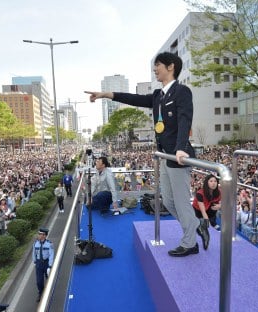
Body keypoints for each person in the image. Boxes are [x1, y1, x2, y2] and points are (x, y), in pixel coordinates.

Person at [85, 52, 201, 257]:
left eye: (158, 65)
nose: (155, 69)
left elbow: (185, 119)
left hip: (178, 156)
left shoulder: (182, 92)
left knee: (181, 202)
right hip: (164, 156)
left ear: (170, 67)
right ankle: (196, 225)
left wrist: (181, 146)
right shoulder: (158, 96)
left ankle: (190, 242)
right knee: (168, 202)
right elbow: (133, 98)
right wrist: (104, 94)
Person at [192, 174, 221, 250]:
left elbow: (227, 202)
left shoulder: (219, 192)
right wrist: (206, 223)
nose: (213, 183)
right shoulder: (200, 193)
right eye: (211, 181)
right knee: (198, 227)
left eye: (215, 181)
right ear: (207, 183)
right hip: (198, 210)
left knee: (215, 206)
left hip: (209, 209)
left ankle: (209, 223)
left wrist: (220, 206)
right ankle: (204, 232)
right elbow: (202, 210)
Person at [33, 227, 54, 302]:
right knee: (39, 281)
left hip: (46, 263)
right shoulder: (36, 243)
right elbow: (34, 253)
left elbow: (51, 255)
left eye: (40, 234)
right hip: (39, 263)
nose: (38, 235)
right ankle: (40, 292)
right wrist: (35, 261)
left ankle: (50, 292)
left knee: (49, 278)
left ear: (44, 236)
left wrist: (50, 266)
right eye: (39, 234)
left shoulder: (49, 244)